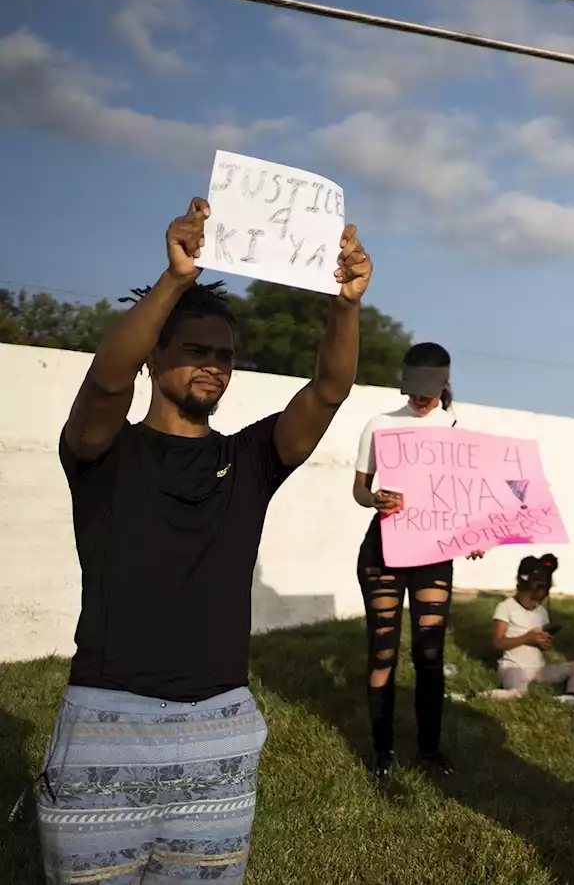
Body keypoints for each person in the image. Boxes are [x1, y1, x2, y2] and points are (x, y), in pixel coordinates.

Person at [36, 197, 371, 883]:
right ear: (155, 355)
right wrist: (176, 281)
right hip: (107, 721)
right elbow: (105, 379)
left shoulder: (251, 460)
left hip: (220, 726)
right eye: (196, 350)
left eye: (225, 356)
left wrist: (345, 304)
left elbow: (330, 389)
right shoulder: (103, 452)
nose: (214, 365)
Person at [352, 341, 483, 779]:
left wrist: (474, 535)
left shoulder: (455, 430)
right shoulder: (379, 424)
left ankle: (429, 751)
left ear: (445, 384)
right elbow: (359, 489)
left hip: (432, 554)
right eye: (413, 387)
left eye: (429, 388)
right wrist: (374, 500)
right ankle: (381, 752)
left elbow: (464, 501)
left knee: (429, 653)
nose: (420, 397)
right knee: (382, 651)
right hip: (383, 551)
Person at [481, 553, 574, 707]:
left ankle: (570, 696)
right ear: (520, 586)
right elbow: (498, 643)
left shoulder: (541, 612)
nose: (535, 603)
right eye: (532, 598)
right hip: (514, 667)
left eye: (539, 600)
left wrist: (544, 643)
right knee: (519, 694)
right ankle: (478, 696)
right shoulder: (506, 607)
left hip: (537, 669)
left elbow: (541, 643)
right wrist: (527, 639)